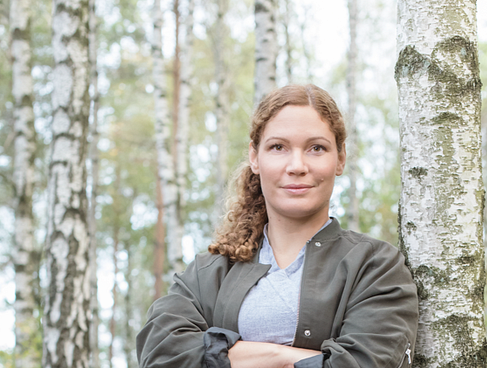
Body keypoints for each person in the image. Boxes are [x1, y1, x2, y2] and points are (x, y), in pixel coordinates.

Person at [136, 84, 418, 368]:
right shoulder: (210, 274)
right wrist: (283, 357)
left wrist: (228, 357)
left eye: (316, 148)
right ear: (255, 157)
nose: (297, 165)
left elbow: (367, 363)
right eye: (278, 147)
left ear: (340, 158)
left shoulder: (375, 266)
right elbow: (160, 352)